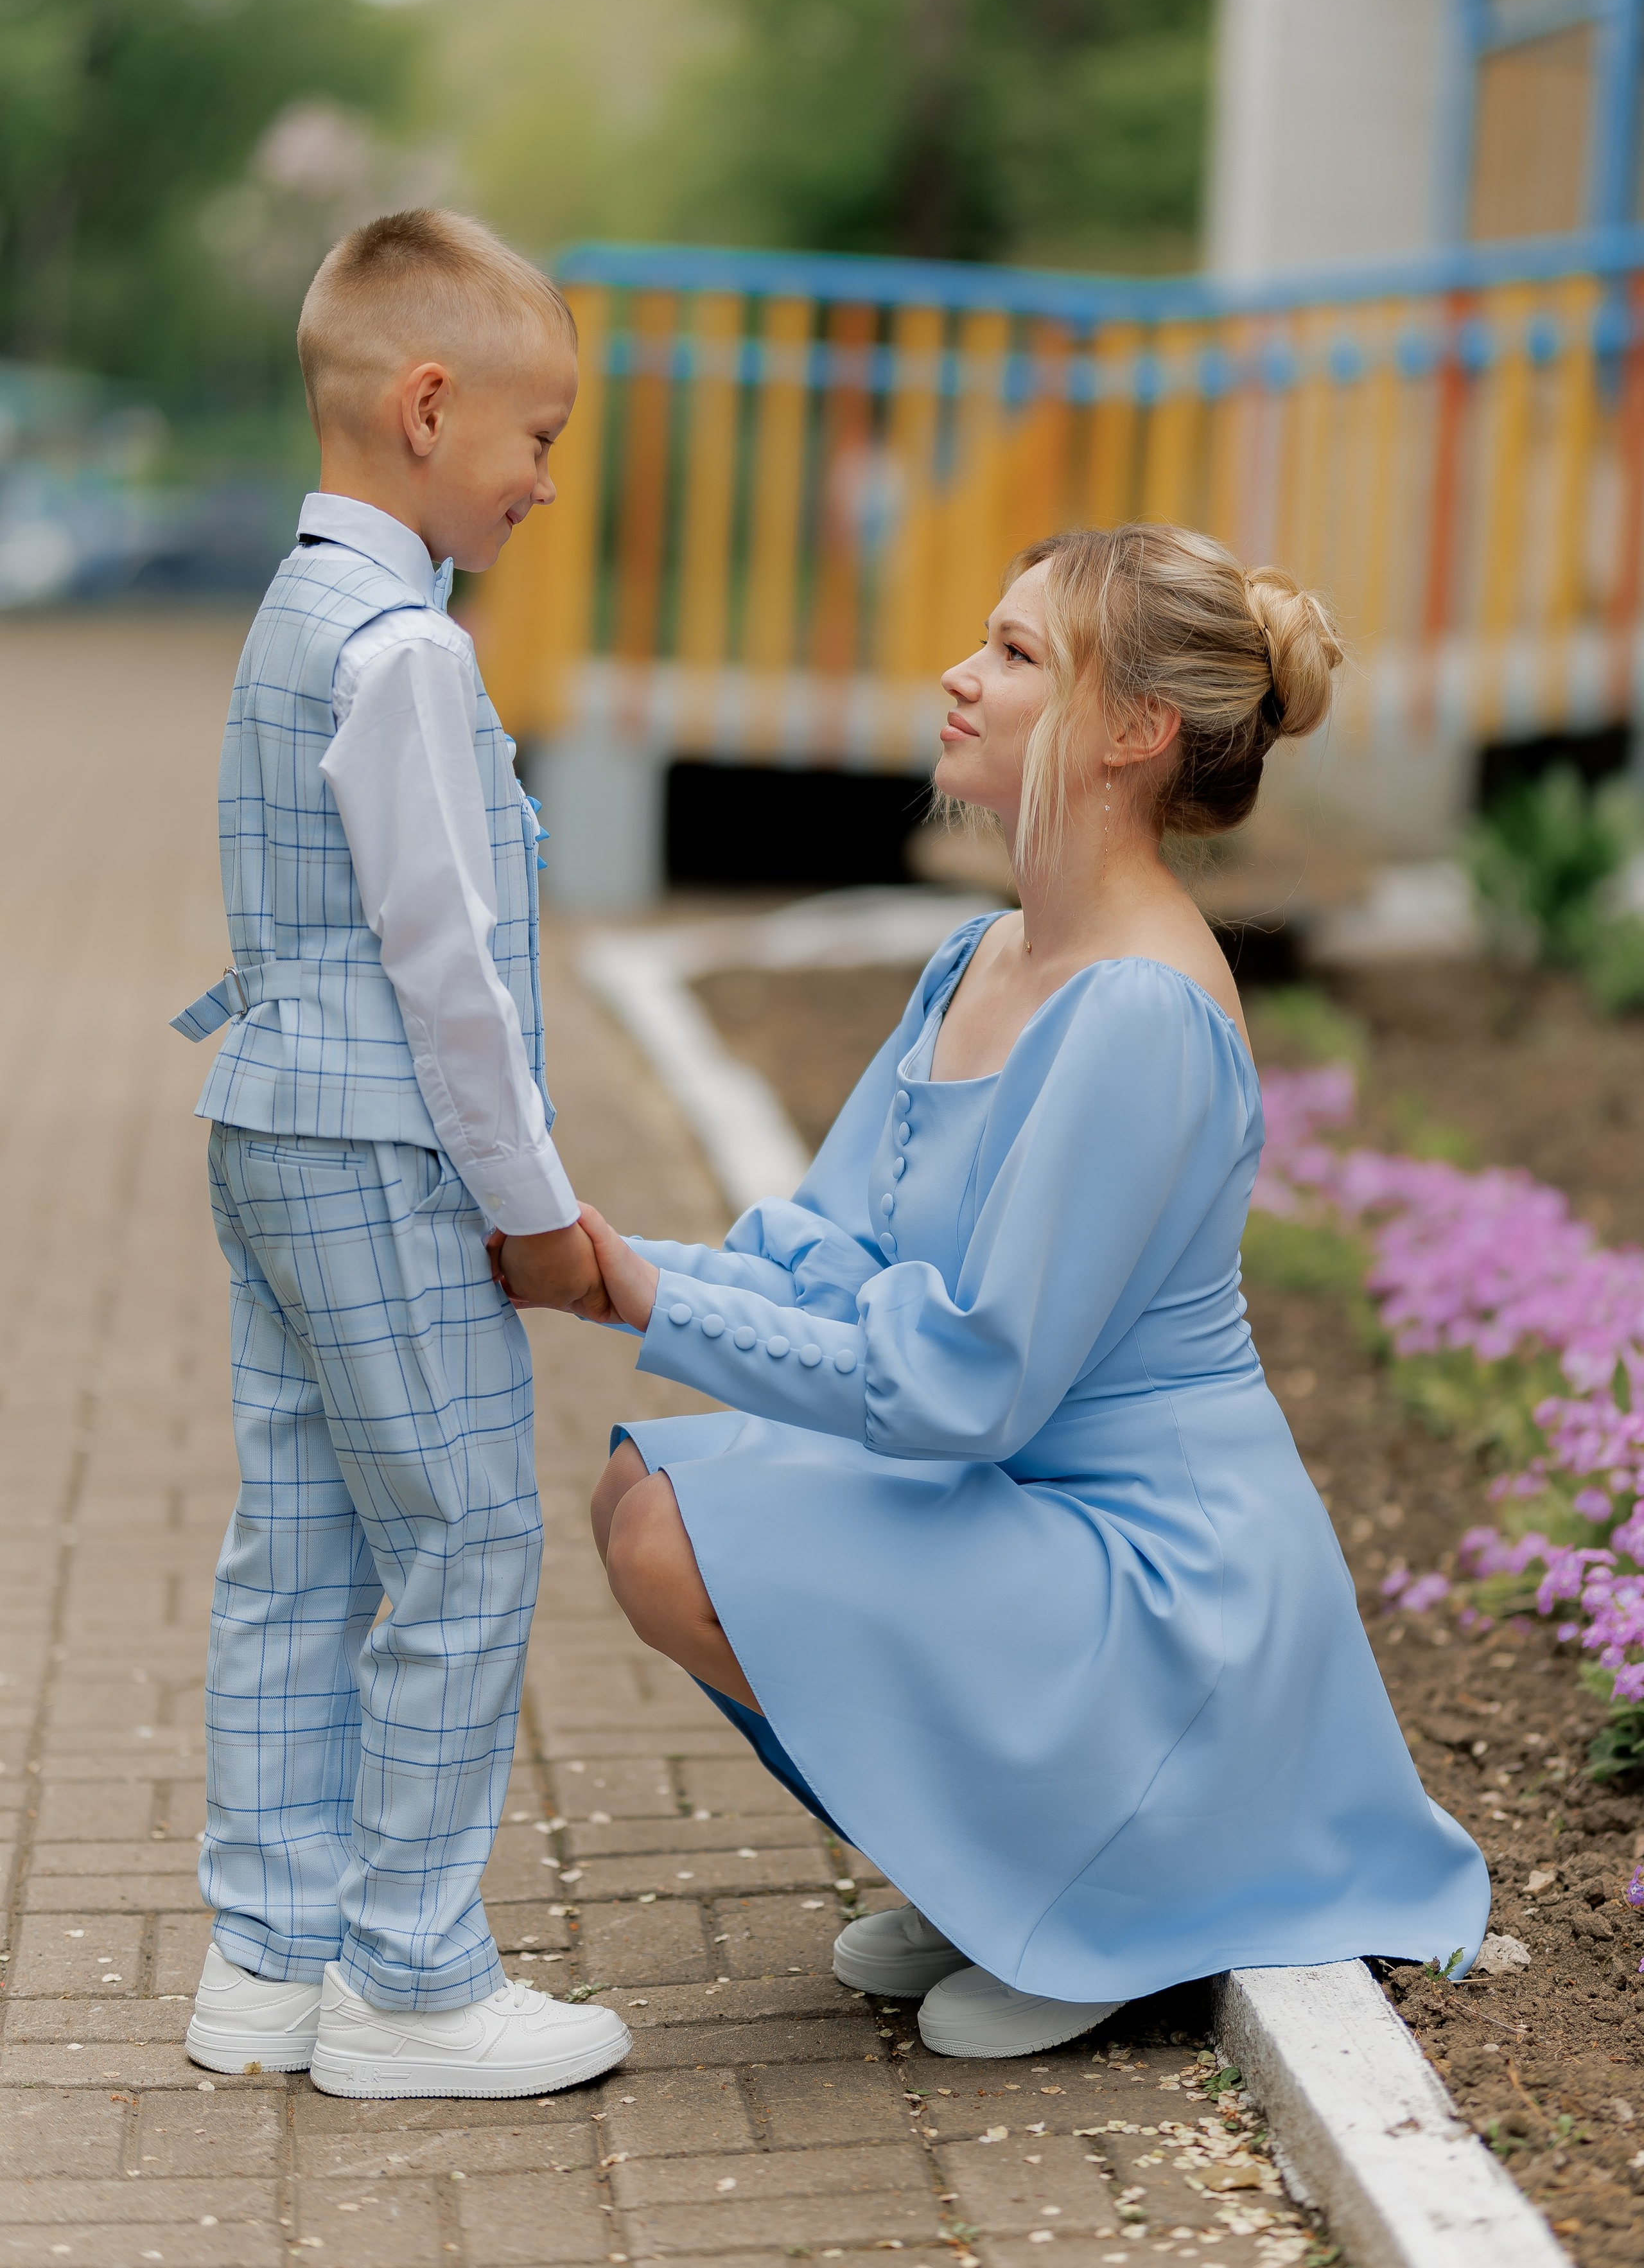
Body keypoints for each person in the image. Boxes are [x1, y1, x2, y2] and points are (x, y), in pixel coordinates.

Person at [516, 523, 1491, 2063]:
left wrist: (634, 1293)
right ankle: (1014, 1872)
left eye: (1018, 655)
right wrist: (596, 1265)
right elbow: (819, 1259)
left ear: (1132, 731)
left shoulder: (1136, 1016)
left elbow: (968, 1386)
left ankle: (1114, 1896)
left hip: (1163, 1589)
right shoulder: (980, 961)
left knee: (676, 1528)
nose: (959, 678)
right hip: (1038, 1524)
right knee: (649, 1493)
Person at [171, 209, 628, 2098]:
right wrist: (541, 1213)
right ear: (427, 408)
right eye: (536, 441)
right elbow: (451, 980)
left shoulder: (301, 608)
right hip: (376, 1148)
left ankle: (266, 1960)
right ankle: (412, 1979)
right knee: (466, 1529)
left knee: (303, 1540)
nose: (541, 482)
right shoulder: (410, 656)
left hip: (267, 1122)